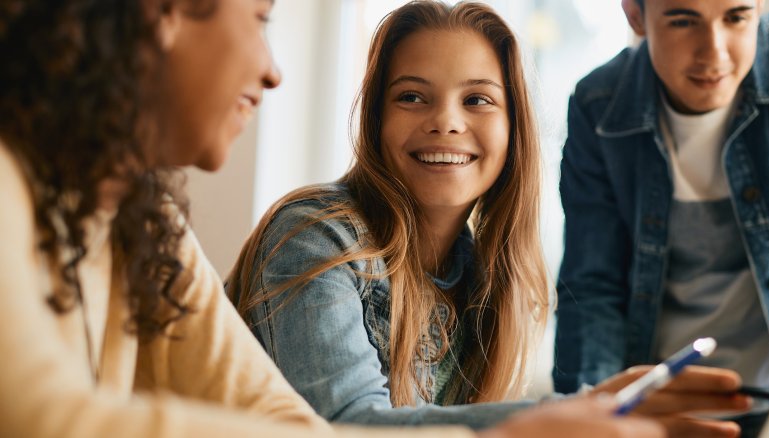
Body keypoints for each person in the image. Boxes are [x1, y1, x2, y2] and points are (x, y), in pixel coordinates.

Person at [0, 0, 667, 437]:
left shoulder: (147, 227)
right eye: (260, 18)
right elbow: (49, 421)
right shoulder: (8, 185)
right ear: (163, 12)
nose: (272, 71)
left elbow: (289, 423)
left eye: (478, 100)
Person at [226, 1, 749, 437]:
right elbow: (346, 427)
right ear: (375, 119)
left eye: (477, 99)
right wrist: (562, 417)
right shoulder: (316, 236)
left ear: (513, 129)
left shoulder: (487, 277)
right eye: (411, 97)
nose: (446, 122)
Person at [553, 0, 769, 435]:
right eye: (682, 20)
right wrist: (597, 415)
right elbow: (593, 289)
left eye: (736, 17)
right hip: (657, 411)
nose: (714, 53)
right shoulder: (598, 104)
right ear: (635, 16)